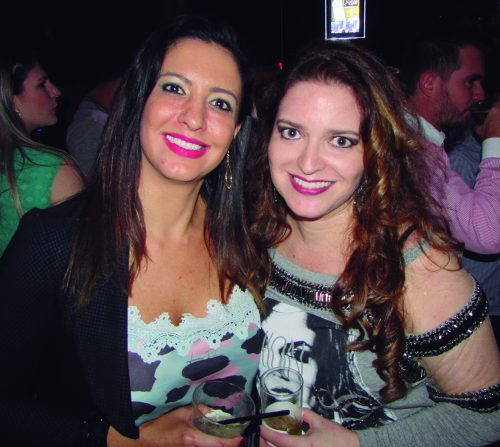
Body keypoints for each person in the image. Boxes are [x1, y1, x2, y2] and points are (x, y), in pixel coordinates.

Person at [0, 15, 266, 447]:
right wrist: (120, 441)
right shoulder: (52, 244)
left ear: (235, 131)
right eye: (175, 88)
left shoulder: (252, 239)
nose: (194, 118)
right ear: (138, 100)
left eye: (220, 103)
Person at [247, 41, 500, 447]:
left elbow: (487, 413)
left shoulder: (418, 267)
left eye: (341, 140)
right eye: (291, 132)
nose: (307, 163)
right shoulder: (255, 232)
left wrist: (357, 445)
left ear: (375, 150)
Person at [398, 32, 500, 255]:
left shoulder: (417, 140)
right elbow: (488, 233)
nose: (480, 94)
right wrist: (495, 141)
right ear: (429, 84)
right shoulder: (413, 150)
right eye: (470, 82)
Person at [0, 47, 84, 255]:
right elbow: (80, 259)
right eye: (41, 85)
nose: (56, 91)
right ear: (13, 101)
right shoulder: (52, 170)